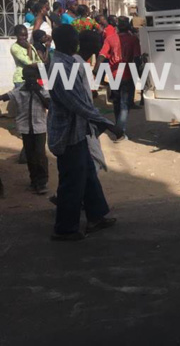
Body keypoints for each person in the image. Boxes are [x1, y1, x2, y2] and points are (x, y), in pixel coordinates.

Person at [47, 24, 123, 241]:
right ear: (63, 42)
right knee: (72, 181)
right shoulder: (60, 67)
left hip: (77, 131)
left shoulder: (69, 62)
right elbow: (78, 104)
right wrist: (108, 124)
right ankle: (64, 229)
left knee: (88, 174)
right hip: (67, 134)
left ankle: (96, 217)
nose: (76, 43)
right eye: (73, 39)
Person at [0, 66, 50, 194]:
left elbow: (48, 105)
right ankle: (34, 181)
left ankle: (42, 182)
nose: (31, 79)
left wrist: (37, 92)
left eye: (33, 77)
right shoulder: (18, 91)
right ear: (23, 78)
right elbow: (4, 97)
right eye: (28, 77)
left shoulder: (43, 90)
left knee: (40, 155)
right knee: (30, 156)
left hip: (40, 127)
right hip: (25, 128)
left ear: (37, 78)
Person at [98, 17, 140, 137]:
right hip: (127, 75)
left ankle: (119, 128)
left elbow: (101, 56)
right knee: (125, 104)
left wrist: (96, 71)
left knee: (116, 103)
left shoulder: (110, 39)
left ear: (117, 26)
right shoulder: (133, 39)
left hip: (113, 75)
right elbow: (136, 58)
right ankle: (120, 130)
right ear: (128, 27)